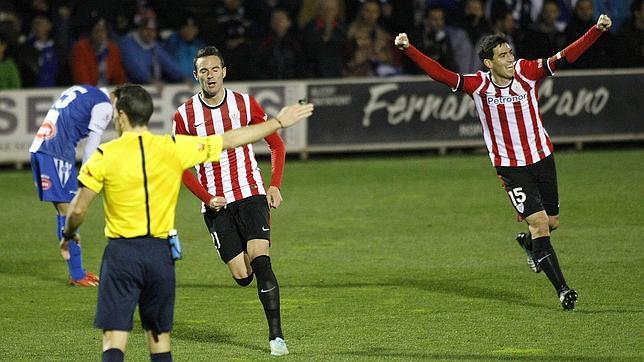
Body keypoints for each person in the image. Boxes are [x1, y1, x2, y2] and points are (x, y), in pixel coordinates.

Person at [59, 84, 313, 361]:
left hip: (121, 255)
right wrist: (277, 122)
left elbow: (79, 209)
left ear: (121, 116)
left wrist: (69, 233)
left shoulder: (104, 155)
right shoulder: (172, 147)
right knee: (159, 340)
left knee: (114, 339)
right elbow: (230, 139)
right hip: (160, 254)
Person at [394, 14, 614, 311]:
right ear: (488, 63)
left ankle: (528, 244)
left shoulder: (527, 71)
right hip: (511, 167)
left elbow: (565, 56)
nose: (510, 58)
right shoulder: (478, 85)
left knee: (551, 223)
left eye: (510, 52)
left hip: (542, 157)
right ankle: (563, 290)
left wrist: (596, 31)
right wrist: (409, 49)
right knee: (539, 225)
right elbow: (440, 73)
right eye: (502, 55)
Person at [173, 46, 290, 356]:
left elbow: (276, 144)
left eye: (215, 69)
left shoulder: (244, 104)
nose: (210, 75)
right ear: (195, 76)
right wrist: (206, 197)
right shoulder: (184, 116)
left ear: (224, 71)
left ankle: (276, 337)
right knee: (242, 275)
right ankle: (248, 267)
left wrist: (274, 185)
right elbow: (181, 165)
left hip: (251, 193)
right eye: (203, 71)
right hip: (216, 204)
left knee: (261, 259)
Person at [29, 85, 112, 286]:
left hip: (40, 148)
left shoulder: (83, 90)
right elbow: (93, 143)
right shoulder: (105, 105)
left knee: (63, 210)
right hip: (56, 154)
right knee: (68, 211)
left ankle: (77, 271)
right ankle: (77, 275)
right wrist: (86, 174)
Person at [69, 17, 127, 86]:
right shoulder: (80, 49)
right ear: (90, 33)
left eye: (102, 31)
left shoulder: (112, 49)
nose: (99, 34)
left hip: (109, 91)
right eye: (96, 31)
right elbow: (82, 80)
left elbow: (119, 77)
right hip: (88, 92)